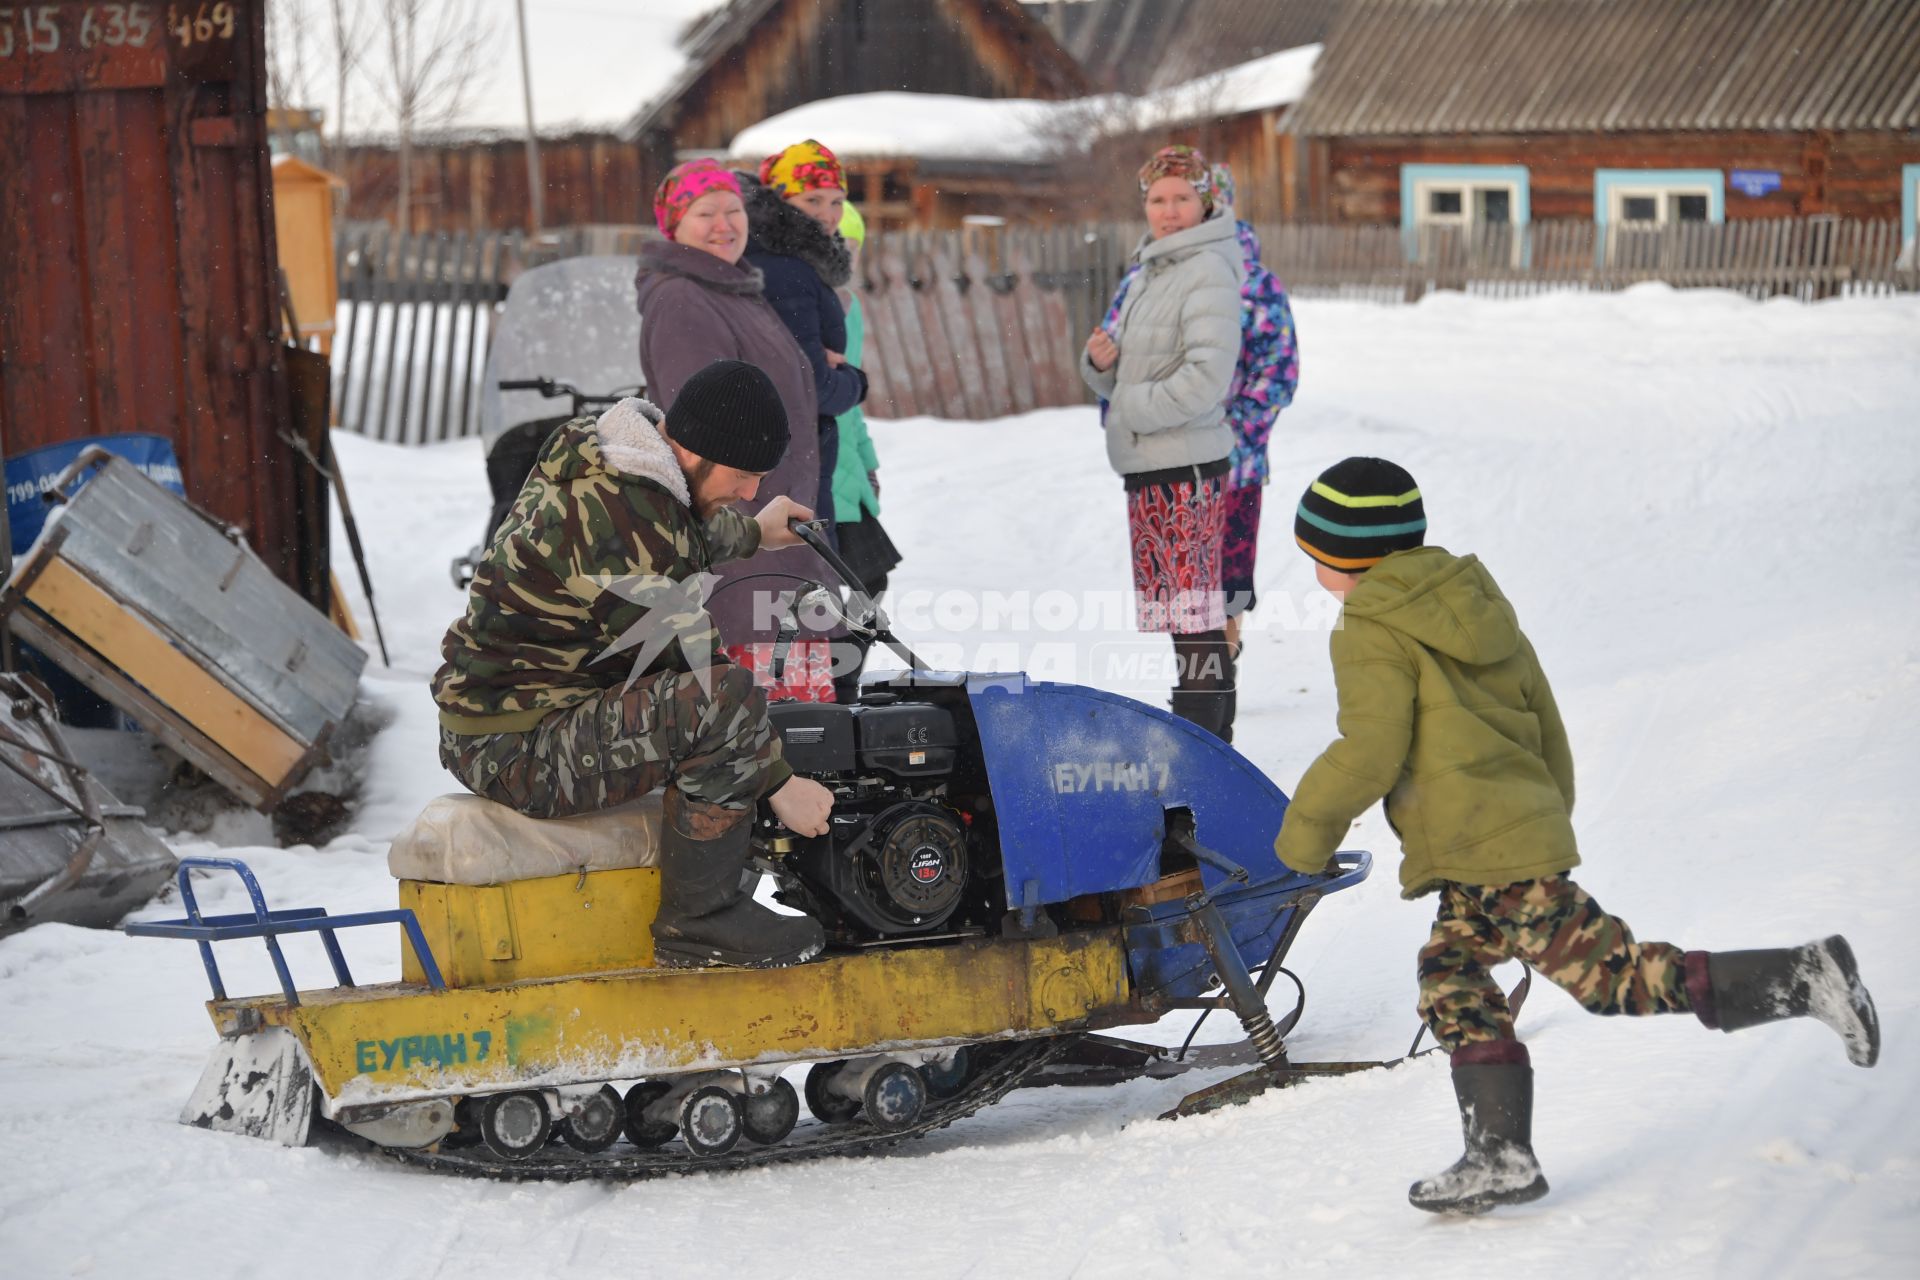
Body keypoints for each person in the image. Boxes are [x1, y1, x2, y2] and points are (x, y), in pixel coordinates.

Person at [1273, 455, 1881, 1216]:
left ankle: (1806, 974)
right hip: (1492, 847)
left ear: (1347, 559)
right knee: (1452, 979)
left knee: (1613, 979)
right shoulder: (1474, 599)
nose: (1315, 572)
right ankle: (1498, 1153)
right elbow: (1544, 718)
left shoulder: (1368, 627)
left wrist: (1301, 837)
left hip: (1491, 850)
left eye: (1316, 558)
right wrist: (1546, 811)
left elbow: (1368, 749)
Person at [431, 359, 836, 970]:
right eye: (743, 474)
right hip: (520, 751)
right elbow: (702, 675)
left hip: (500, 721)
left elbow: (670, 531)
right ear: (693, 451)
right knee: (724, 701)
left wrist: (753, 533)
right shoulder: (629, 519)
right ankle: (701, 920)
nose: (750, 491)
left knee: (721, 710)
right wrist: (781, 783)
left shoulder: (607, 462)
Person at [635, 158, 840, 704]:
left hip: (774, 536)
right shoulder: (685, 297)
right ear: (673, 225)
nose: (724, 224)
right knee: (766, 738)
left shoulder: (733, 287)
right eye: (706, 213)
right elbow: (703, 438)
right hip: (744, 552)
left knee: (799, 740)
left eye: (733, 210)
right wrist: (742, 534)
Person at [1079, 144, 1244, 739]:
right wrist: (1102, 365)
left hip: (1186, 469)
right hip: (1156, 466)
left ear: (1206, 202)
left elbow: (1207, 377)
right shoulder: (1155, 268)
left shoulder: (1205, 270)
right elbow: (1138, 367)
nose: (1168, 211)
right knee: (1187, 620)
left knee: (1195, 622)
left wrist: (1130, 406)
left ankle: (1203, 745)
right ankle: (1209, 746)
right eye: (1157, 200)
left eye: (1182, 198)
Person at [741, 139, 868, 562]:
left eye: (837, 201)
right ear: (781, 199)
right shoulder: (787, 269)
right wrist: (853, 380)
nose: (829, 214)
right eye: (813, 199)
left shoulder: (783, 255)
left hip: (779, 444)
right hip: (791, 448)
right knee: (799, 583)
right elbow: (809, 385)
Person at [1209, 163, 1299, 732]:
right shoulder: (1155, 273)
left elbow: (1279, 373)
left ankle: (1221, 667)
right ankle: (1198, 683)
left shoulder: (1253, 283)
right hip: (1167, 468)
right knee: (1182, 585)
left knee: (1229, 577)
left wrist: (1232, 429)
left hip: (1235, 465)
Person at [827, 201, 902, 702]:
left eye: (851, 248)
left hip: (845, 468)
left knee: (868, 581)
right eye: (836, 244)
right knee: (828, 589)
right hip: (817, 470)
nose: (843, 257)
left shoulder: (846, 305)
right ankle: (830, 685)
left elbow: (849, 401)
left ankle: (841, 683)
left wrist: (868, 461)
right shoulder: (805, 304)